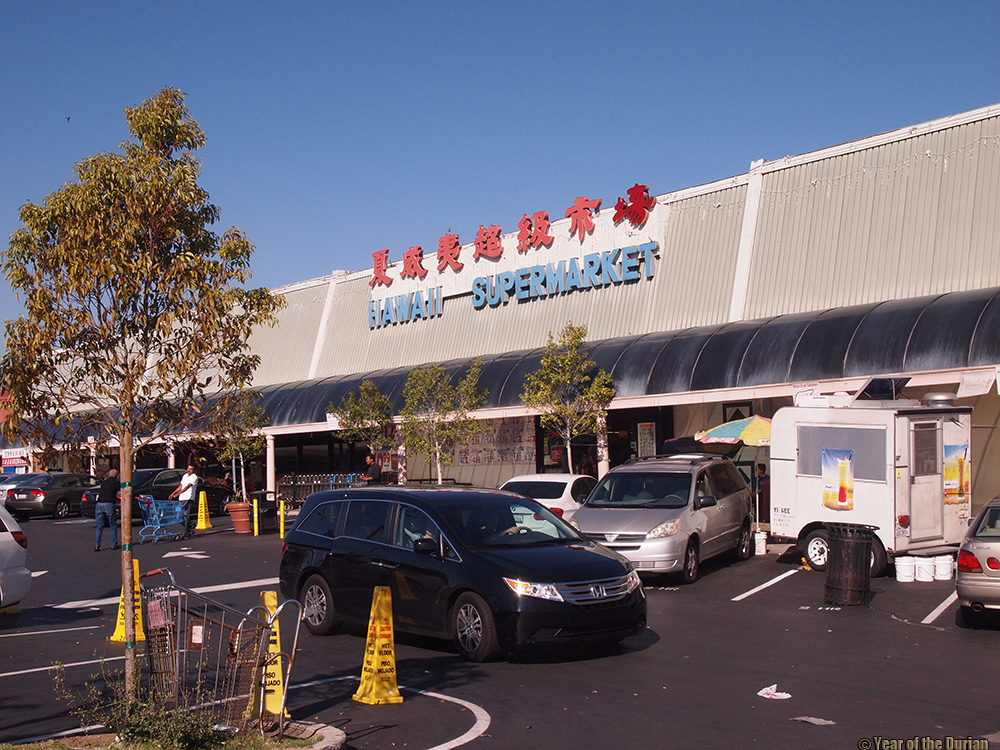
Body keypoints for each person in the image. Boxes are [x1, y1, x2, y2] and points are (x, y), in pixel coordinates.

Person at [169, 463, 200, 539]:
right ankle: (190, 526)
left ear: (194, 470)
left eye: (191, 469)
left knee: (185, 515)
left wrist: (178, 493)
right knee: (179, 516)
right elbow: (181, 486)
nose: (189, 470)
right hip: (181, 498)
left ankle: (187, 532)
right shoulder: (185, 476)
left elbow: (188, 486)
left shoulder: (194, 477)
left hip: (188, 498)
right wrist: (173, 493)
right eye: (188, 468)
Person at [94, 468, 120, 552]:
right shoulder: (115, 483)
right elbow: (123, 490)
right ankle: (113, 544)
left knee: (99, 526)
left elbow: (105, 493)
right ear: (117, 476)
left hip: (99, 504)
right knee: (112, 525)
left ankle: (97, 545)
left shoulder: (104, 483)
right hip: (108, 504)